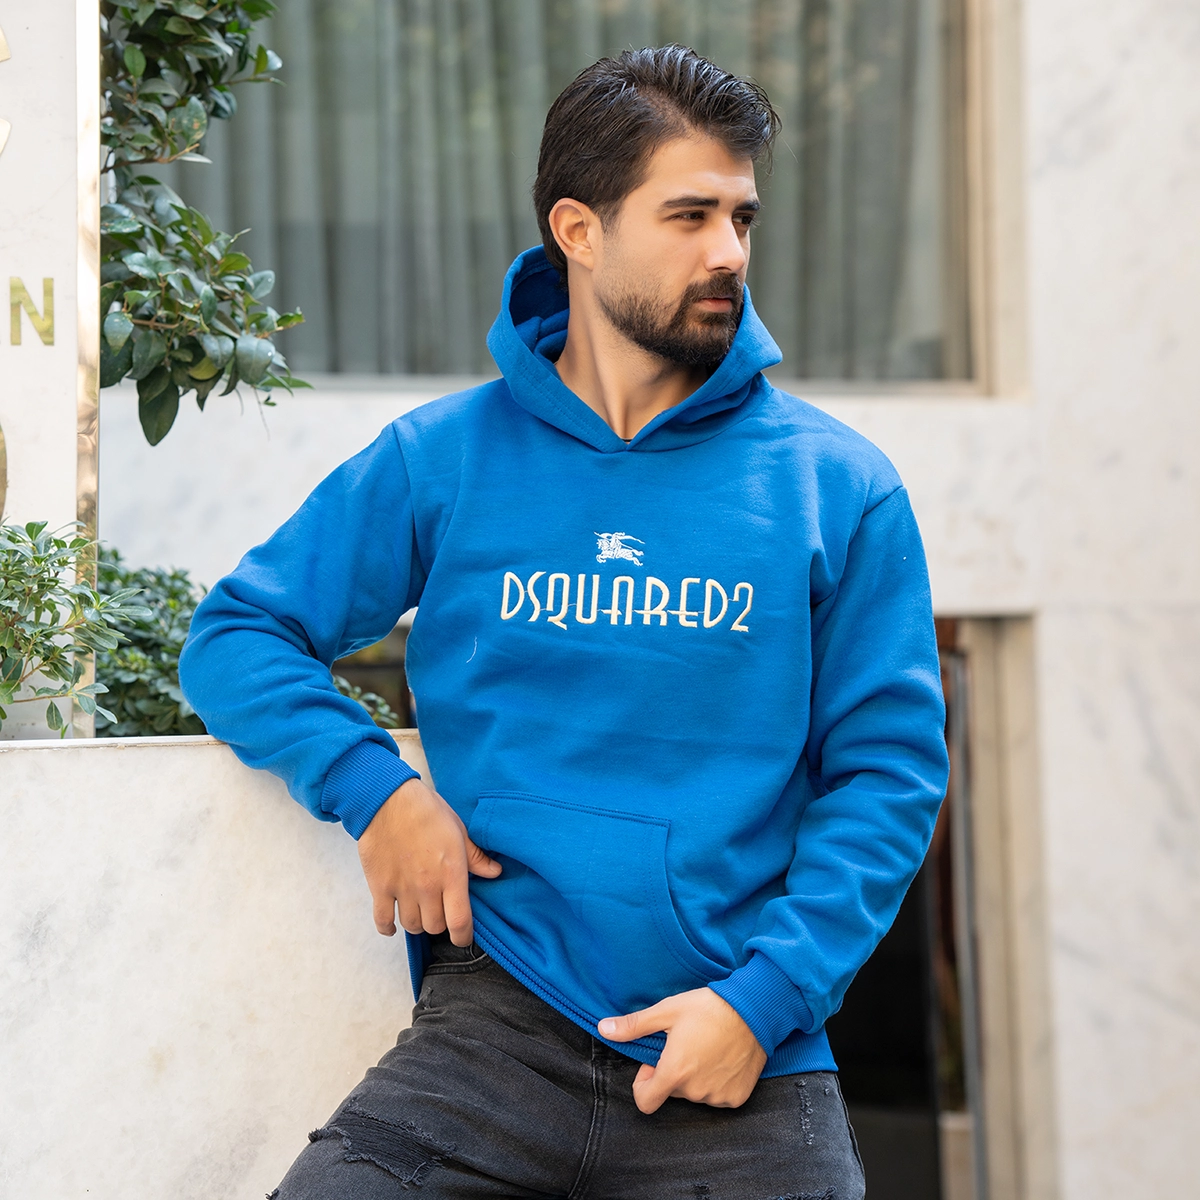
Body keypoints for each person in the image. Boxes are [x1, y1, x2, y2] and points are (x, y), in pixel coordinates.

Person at [180, 44, 949, 1200]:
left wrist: (763, 1002)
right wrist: (377, 791)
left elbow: (888, 775)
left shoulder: (836, 485)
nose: (730, 252)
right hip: (495, 1032)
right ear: (579, 232)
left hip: (740, 1051)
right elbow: (238, 633)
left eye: (741, 217)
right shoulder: (445, 458)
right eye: (689, 216)